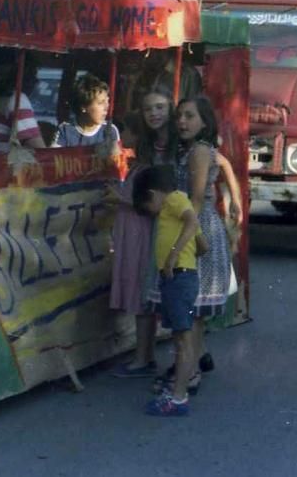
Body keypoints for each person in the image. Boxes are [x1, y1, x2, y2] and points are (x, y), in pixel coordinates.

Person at [111, 85, 176, 378]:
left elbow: (155, 196)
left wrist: (121, 198)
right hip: (145, 226)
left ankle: (151, 358)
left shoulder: (174, 148)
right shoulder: (148, 152)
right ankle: (146, 355)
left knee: (148, 290)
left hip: (152, 227)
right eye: (148, 109)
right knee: (146, 292)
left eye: (159, 107)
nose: (154, 114)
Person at [168, 96, 230, 393]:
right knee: (193, 305)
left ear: (204, 121)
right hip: (196, 224)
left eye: (190, 116)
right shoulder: (193, 149)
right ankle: (195, 359)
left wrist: (183, 242)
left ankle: (189, 373)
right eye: (179, 116)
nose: (182, 121)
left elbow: (194, 197)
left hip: (197, 226)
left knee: (189, 303)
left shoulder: (200, 151)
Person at [134, 164, 202, 418]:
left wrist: (174, 255)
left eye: (147, 208)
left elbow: (193, 222)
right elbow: (201, 240)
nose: (150, 214)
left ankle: (178, 397)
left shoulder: (174, 200)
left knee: (182, 339)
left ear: (152, 195)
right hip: (181, 277)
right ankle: (178, 391)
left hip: (179, 278)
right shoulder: (174, 208)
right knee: (180, 337)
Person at [0, 49, 44, 152]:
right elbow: (41, 152)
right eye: (34, 72)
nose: (35, 80)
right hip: (4, 167)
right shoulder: (16, 100)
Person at [53, 74, 119, 147]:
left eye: (107, 101)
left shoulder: (110, 130)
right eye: (101, 103)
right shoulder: (65, 130)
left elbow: (117, 157)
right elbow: (53, 156)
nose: (107, 107)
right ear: (83, 106)